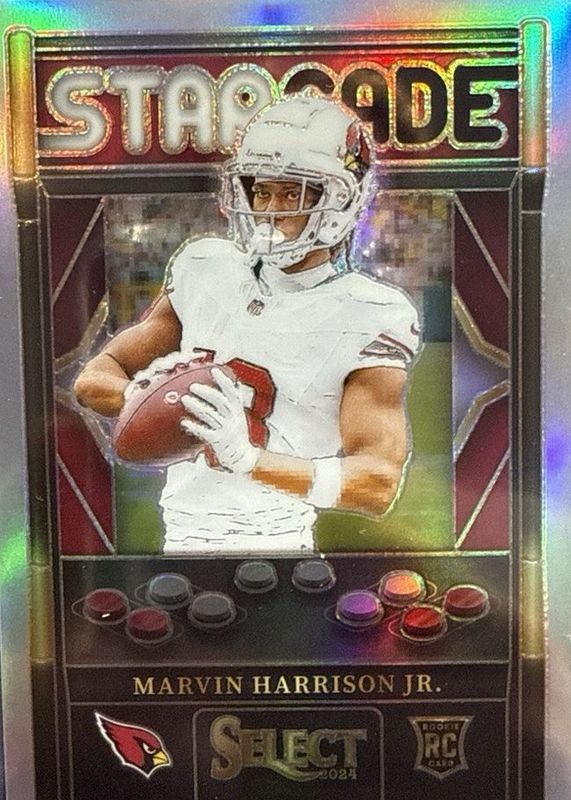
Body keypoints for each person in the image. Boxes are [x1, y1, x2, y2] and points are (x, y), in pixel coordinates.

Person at [74, 93, 421, 554]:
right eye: (262, 190)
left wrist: (247, 459)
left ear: (339, 200)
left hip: (280, 541)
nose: (271, 209)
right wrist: (148, 398)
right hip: (179, 538)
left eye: (292, 193)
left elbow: (377, 483)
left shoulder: (371, 311)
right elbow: (93, 380)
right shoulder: (207, 267)